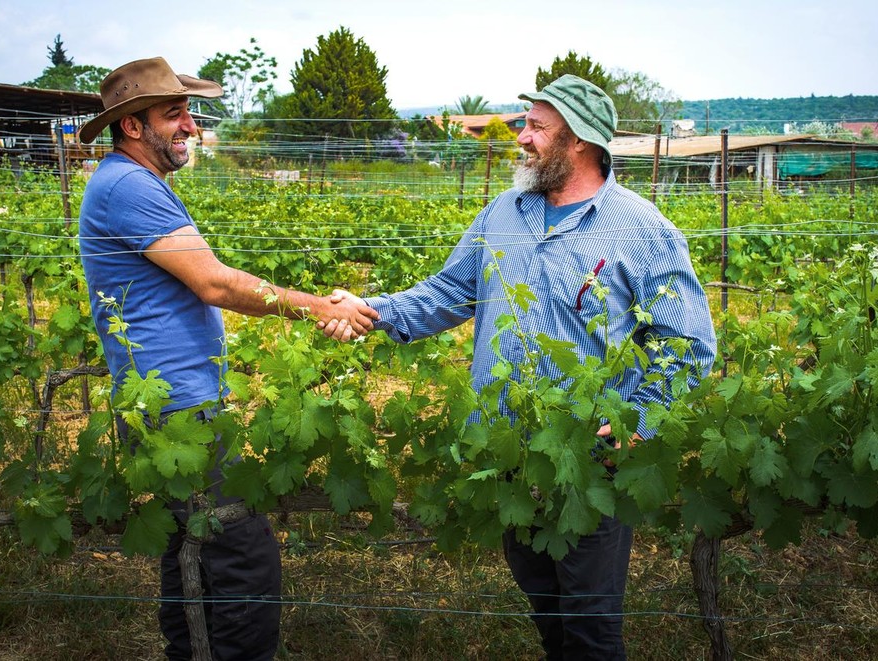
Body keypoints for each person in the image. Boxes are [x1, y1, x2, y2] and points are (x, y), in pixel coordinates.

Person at [328, 75, 717, 659]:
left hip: (591, 460)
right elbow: (450, 293)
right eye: (525, 124)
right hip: (508, 452)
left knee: (590, 625)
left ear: (579, 141)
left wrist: (641, 416)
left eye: (536, 127)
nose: (522, 137)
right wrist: (373, 311)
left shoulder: (644, 231)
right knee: (545, 606)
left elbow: (688, 343)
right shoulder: (502, 213)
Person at [77, 57, 378, 661]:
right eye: (174, 113)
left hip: (173, 402)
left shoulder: (127, 183)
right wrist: (318, 307)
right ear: (132, 127)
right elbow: (215, 284)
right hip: (179, 411)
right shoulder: (129, 187)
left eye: (188, 111)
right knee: (242, 554)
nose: (190, 125)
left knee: (192, 545)